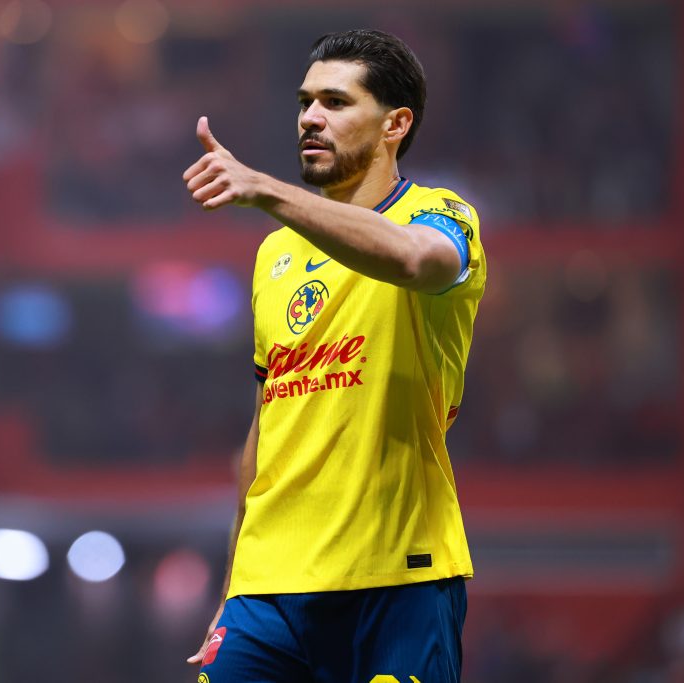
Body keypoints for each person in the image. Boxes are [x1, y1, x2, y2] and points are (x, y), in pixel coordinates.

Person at [182, 29, 485, 683]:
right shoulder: (274, 255)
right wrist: (234, 582)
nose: (310, 118)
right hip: (268, 592)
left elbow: (415, 259)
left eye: (336, 102)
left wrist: (264, 190)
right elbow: (267, 424)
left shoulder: (442, 215)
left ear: (394, 123)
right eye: (304, 102)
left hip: (398, 578)